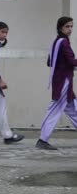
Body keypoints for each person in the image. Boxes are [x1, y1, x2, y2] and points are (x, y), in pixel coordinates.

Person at [36, 16, 77, 150]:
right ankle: (42, 140)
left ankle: (42, 139)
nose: (70, 29)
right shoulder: (63, 42)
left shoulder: (57, 42)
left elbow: (50, 62)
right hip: (63, 81)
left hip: (62, 81)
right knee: (54, 109)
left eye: (71, 26)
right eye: (67, 26)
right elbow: (71, 62)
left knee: (73, 108)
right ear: (60, 28)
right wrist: (67, 65)